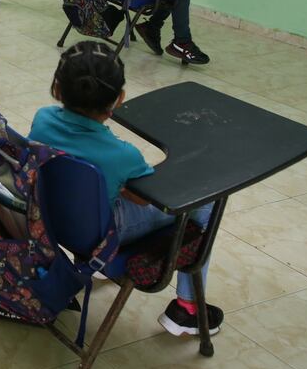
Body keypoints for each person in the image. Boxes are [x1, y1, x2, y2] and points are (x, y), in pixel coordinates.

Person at [28, 41, 222, 337]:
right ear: (119, 99)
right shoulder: (123, 156)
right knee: (207, 200)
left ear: (56, 89)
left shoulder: (42, 119)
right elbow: (144, 200)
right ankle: (189, 307)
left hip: (49, 221)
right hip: (98, 236)